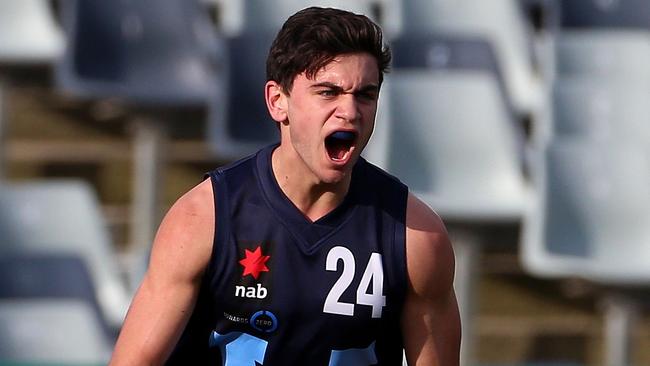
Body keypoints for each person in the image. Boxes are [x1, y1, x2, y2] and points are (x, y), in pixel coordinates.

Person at [109, 6, 460, 365]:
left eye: (365, 95)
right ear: (279, 101)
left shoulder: (415, 236)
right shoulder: (204, 218)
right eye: (328, 92)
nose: (350, 111)